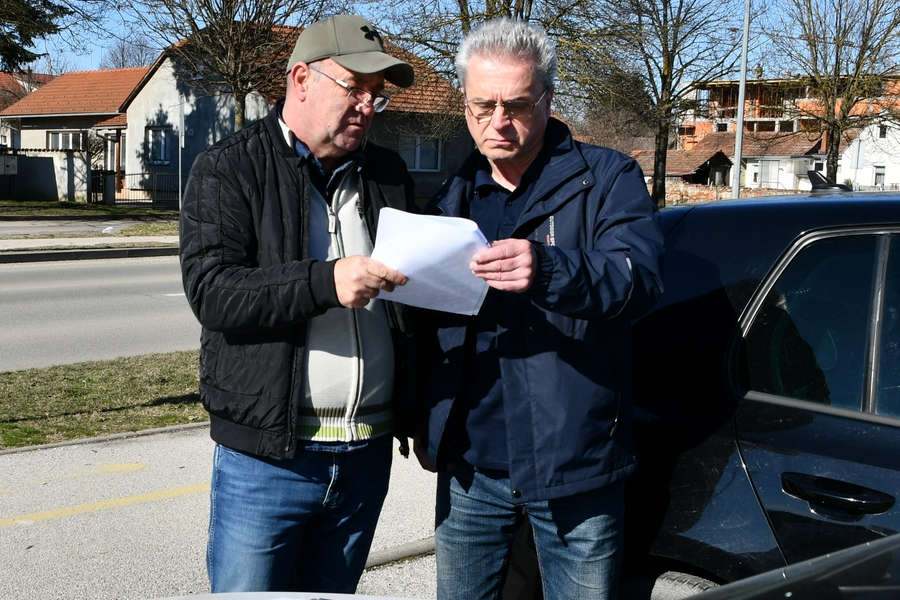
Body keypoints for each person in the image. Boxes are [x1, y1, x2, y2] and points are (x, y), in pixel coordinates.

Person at [415, 18, 664, 600]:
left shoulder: (607, 179)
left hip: (575, 465)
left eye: (517, 105)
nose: (498, 122)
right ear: (465, 103)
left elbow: (639, 279)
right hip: (471, 468)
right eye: (483, 106)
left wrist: (549, 269)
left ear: (548, 100)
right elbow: (429, 325)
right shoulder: (452, 194)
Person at [179, 14, 418, 594]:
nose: (367, 105)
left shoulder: (387, 173)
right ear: (302, 78)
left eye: (376, 94)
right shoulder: (229, 166)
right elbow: (213, 291)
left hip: (365, 455)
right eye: (354, 87)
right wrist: (325, 282)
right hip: (268, 460)